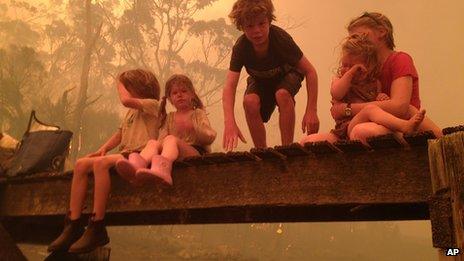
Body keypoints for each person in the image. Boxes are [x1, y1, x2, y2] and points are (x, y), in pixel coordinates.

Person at [48, 69, 161, 253]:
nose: (124, 91)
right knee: (81, 164)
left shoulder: (153, 104)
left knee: (101, 164)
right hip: (125, 154)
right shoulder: (131, 113)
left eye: (127, 87)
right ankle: (73, 224)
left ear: (138, 86)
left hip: (141, 156)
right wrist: (103, 149)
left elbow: (125, 100)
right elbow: (120, 133)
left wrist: (120, 82)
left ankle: (97, 224)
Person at [329, 12, 442, 144]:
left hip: (398, 123)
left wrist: (346, 109)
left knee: (362, 131)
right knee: (309, 141)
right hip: (360, 123)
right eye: (352, 38)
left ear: (382, 32)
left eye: (361, 36)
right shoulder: (362, 70)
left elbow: (399, 107)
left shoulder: (399, 59)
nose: (357, 42)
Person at [222, 0, 319, 151]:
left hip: (288, 74)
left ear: (269, 21)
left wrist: (311, 110)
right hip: (261, 80)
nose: (257, 31)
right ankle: (262, 152)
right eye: (250, 26)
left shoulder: (280, 39)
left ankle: (287, 149)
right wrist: (229, 122)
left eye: (262, 24)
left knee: (282, 94)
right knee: (249, 101)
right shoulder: (241, 47)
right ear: (241, 27)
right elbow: (229, 86)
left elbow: (310, 71)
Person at [300, 34, 427, 145]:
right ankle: (403, 126)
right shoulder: (339, 80)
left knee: (371, 109)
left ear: (367, 68)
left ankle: (404, 126)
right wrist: (350, 72)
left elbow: (376, 102)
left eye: (354, 66)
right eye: (344, 65)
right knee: (308, 141)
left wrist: (381, 97)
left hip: (358, 125)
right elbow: (336, 93)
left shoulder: (374, 83)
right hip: (341, 131)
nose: (347, 69)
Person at [115, 74, 216, 186]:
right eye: (175, 93)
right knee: (153, 142)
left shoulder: (197, 113)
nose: (180, 95)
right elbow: (162, 139)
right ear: (170, 99)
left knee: (171, 139)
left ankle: (163, 168)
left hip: (195, 152)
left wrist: (201, 130)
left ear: (192, 94)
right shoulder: (170, 117)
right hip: (174, 153)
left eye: (184, 91)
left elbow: (208, 136)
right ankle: (138, 164)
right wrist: (157, 146)